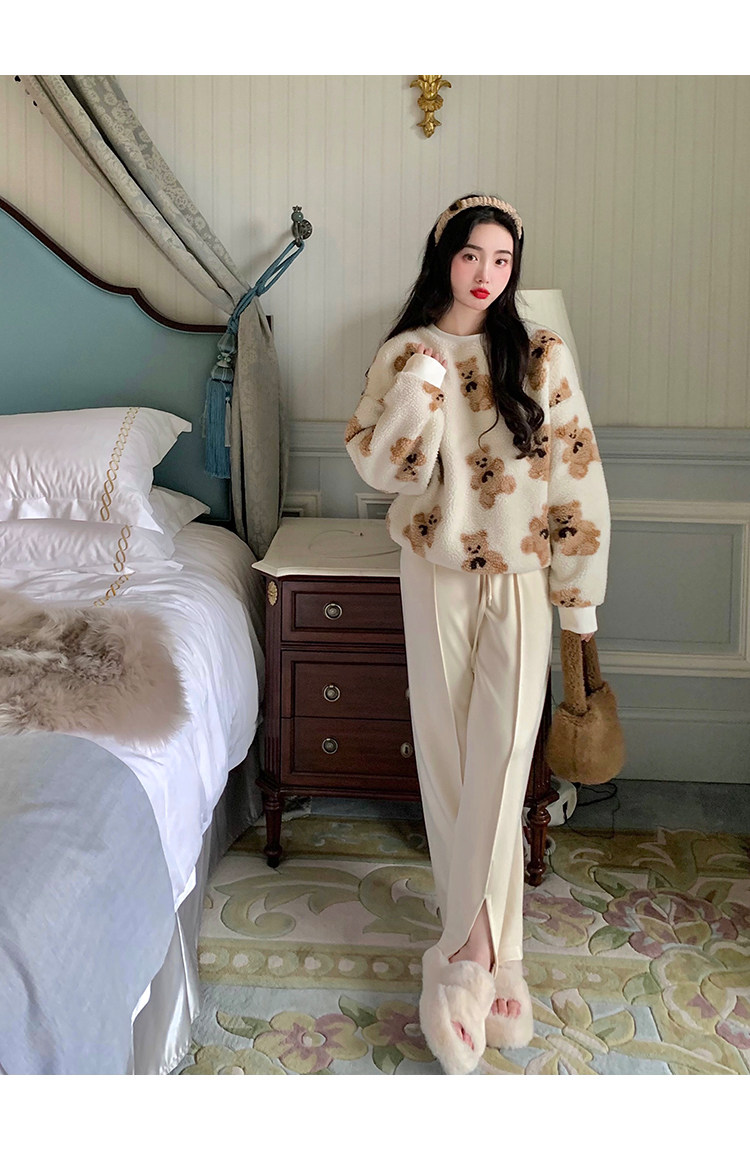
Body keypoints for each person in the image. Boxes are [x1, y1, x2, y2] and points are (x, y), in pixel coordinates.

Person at [344, 193, 611, 1074]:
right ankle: (502, 963)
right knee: (448, 759)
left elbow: (576, 474)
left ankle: (464, 955)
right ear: (444, 257)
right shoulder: (404, 353)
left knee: (502, 757)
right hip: (434, 573)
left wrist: (578, 599)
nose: (487, 273)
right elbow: (384, 470)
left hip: (524, 576)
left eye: (502, 258)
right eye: (472, 255)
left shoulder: (541, 351)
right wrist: (420, 389)